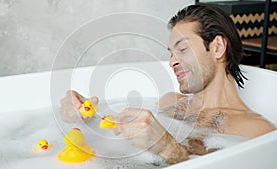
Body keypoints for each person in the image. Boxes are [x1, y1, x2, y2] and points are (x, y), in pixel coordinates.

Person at [59, 5, 276, 164]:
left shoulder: (258, 131)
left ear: (217, 48)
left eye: (182, 49)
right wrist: (85, 119)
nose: (172, 61)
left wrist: (168, 148)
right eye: (171, 53)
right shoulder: (170, 103)